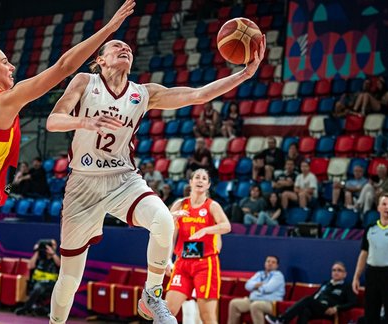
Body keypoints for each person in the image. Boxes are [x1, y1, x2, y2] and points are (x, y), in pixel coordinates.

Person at [0, 2, 135, 323]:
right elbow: (64, 67)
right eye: (5, 62)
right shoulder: (5, 98)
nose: (11, 67)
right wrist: (108, 30)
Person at [45, 27, 265, 324]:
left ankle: (152, 293)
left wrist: (244, 75)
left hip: (124, 178)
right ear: (100, 59)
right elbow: (52, 121)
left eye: (129, 48)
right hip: (83, 182)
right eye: (117, 46)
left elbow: (197, 95)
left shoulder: (142, 93)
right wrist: (85, 121)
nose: (126, 49)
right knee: (70, 276)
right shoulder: (86, 81)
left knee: (163, 219)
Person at [164, 168, 231, 324]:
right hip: (182, 263)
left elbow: (226, 226)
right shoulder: (180, 204)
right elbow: (166, 232)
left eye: (204, 178)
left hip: (205, 264)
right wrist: (173, 216)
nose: (200, 180)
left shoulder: (212, 206)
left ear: (208, 185)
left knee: (207, 316)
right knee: (167, 312)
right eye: (197, 177)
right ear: (191, 182)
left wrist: (206, 230)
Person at [352, 193, 388, 324]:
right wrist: (356, 276)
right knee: (370, 314)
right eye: (384, 204)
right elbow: (364, 253)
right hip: (372, 273)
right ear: (378, 207)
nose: (387, 207)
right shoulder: (370, 228)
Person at [265, 261, 357, 324]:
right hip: (316, 307)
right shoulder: (326, 283)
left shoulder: (347, 286)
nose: (336, 272)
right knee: (304, 310)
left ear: (345, 274)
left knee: (308, 299)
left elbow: (353, 303)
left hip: (328, 309)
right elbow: (315, 295)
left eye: (339, 270)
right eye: (334, 270)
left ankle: (282, 319)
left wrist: (337, 308)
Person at [228, 256, 285, 324]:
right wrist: (256, 285)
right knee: (234, 303)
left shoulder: (278, 276)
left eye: (273, 262)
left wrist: (255, 287)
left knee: (255, 306)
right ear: (265, 263)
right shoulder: (259, 274)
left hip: (270, 303)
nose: (270, 263)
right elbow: (247, 285)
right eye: (268, 261)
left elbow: (268, 289)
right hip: (252, 300)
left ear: (277, 266)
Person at [14, 239, 61, 316]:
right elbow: (30, 266)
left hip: (51, 284)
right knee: (37, 288)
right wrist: (37, 251)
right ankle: (27, 308)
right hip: (38, 283)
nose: (50, 247)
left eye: (53, 245)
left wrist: (52, 254)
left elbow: (59, 264)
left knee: (46, 289)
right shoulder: (40, 257)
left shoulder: (56, 257)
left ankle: (51, 311)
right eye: (49, 245)